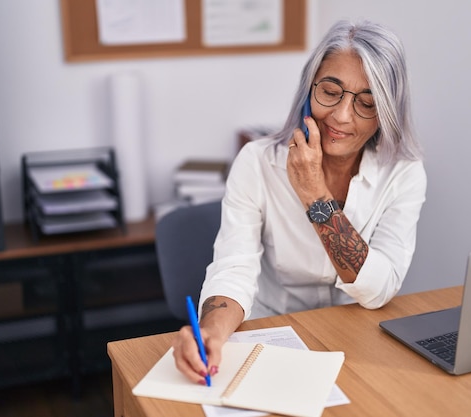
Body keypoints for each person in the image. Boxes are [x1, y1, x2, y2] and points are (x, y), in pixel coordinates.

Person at [172, 19, 427, 384]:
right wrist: (212, 331)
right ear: (308, 89)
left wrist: (314, 193)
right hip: (270, 330)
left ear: (386, 113)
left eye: (367, 103)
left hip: (353, 335)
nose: (341, 116)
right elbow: (234, 268)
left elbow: (380, 288)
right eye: (330, 91)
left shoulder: (403, 173)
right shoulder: (257, 162)